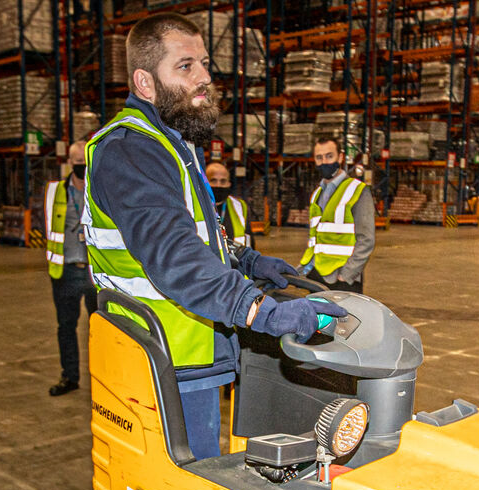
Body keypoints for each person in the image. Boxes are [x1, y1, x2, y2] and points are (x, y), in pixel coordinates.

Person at [83, 12, 344, 459]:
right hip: (163, 364)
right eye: (185, 66)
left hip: (190, 352)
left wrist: (246, 261)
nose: (205, 77)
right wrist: (263, 313)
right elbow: (176, 258)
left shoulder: (174, 142)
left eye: (204, 63)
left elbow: (196, 234)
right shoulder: (131, 150)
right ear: (145, 83)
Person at [45, 141, 99, 396]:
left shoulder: (99, 191)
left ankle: (103, 379)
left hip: (95, 272)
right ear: (69, 163)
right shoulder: (55, 192)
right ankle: (70, 377)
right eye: (77, 163)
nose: (82, 168)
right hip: (65, 271)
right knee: (66, 327)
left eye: (85, 163)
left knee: (100, 329)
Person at [301, 136, 375, 292]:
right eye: (319, 158)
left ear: (340, 157)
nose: (324, 162)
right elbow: (315, 238)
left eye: (329, 156)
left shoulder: (357, 190)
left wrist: (346, 275)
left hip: (342, 279)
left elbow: (366, 239)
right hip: (317, 275)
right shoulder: (316, 194)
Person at [205, 160, 252, 247]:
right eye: (213, 181)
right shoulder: (196, 206)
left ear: (229, 184)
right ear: (205, 183)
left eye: (223, 181)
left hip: (235, 259)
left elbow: (249, 240)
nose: (218, 185)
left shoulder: (240, 207)